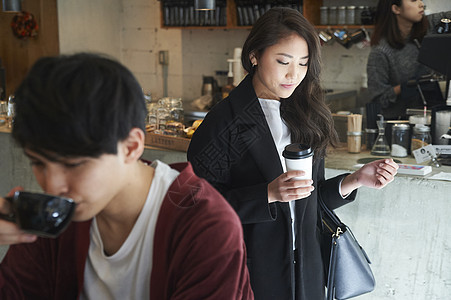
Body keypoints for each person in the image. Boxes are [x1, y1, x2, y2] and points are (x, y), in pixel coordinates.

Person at [0, 53, 253, 299]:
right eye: (38, 163)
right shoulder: (53, 219)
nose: (53, 186)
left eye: (74, 165)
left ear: (131, 147)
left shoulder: (205, 226)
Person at [187, 7, 399, 300]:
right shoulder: (224, 122)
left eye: (303, 64)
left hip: (307, 274)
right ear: (254, 56)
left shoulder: (304, 115)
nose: (293, 75)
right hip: (251, 275)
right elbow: (194, 207)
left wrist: (355, 180)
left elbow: (309, 201)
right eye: (283, 61)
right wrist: (267, 194)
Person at [367, 0, 451, 120]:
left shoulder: (429, 26)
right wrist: (405, 87)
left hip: (434, 117)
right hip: (400, 123)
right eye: (413, 0)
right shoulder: (382, 52)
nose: (421, 4)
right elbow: (378, 99)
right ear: (396, 9)